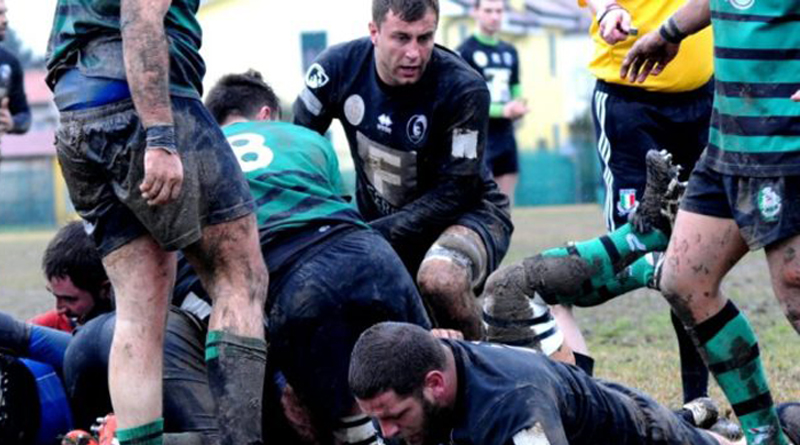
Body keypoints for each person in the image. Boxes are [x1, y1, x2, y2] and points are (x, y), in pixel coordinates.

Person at [58, 70, 433, 445]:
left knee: (296, 405)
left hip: (285, 278)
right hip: (370, 254)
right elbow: (333, 208)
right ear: (267, 115)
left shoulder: (197, 149)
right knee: (434, 388)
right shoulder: (305, 138)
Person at [45, 2, 270, 445]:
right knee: (240, 277)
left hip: (76, 115)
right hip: (139, 102)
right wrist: (161, 137)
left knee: (139, 308)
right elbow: (140, 14)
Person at [618, 0, 800, 443]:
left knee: (796, 288)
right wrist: (668, 33)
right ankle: (765, 433)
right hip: (726, 149)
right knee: (683, 281)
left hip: (788, 147)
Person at [294, 0, 513, 340]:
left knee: (440, 279)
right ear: (374, 32)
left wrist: (367, 236)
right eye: (401, 38)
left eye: (424, 38)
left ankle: (489, 366)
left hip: (470, 214)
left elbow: (458, 189)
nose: (414, 52)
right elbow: (300, 146)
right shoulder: (336, 69)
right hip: (381, 224)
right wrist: (331, 218)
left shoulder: (463, 88)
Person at [570, 0, 715, 403]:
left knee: (695, 257)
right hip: (629, 101)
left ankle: (697, 402)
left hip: (703, 102)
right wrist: (607, 9)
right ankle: (551, 293)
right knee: (633, 248)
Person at [349, 322, 755, 445]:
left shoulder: (514, 408)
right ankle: (700, 419)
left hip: (642, 433)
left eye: (396, 416)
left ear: (435, 385)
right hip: (581, 404)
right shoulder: (434, 359)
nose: (386, 433)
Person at [456, 0, 529, 205]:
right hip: (477, 136)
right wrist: (501, 110)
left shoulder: (509, 51)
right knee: (479, 203)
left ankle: (503, 236)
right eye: (488, 11)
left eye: (499, 11)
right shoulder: (464, 52)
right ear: (475, 12)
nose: (494, 16)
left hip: (505, 134)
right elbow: (465, 100)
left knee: (505, 204)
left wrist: (519, 105)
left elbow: (515, 86)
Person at [29, 221, 113, 333]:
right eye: (56, 296)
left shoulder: (136, 331)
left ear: (105, 290)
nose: (59, 309)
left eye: (69, 299)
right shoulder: (54, 324)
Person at [0, 0, 31, 162]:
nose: (5, 19)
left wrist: (11, 123)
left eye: (5, 13)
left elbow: (25, 116)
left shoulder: (9, 64)